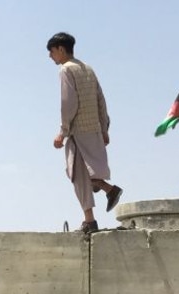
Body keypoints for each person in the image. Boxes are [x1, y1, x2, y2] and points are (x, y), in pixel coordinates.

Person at [47, 32, 123, 235]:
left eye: (52, 51)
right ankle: (108, 190)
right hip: (94, 129)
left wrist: (62, 132)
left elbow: (68, 103)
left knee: (76, 174)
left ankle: (90, 221)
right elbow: (101, 99)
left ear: (61, 49)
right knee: (84, 173)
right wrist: (104, 128)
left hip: (78, 131)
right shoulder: (88, 68)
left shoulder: (66, 70)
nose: (50, 56)